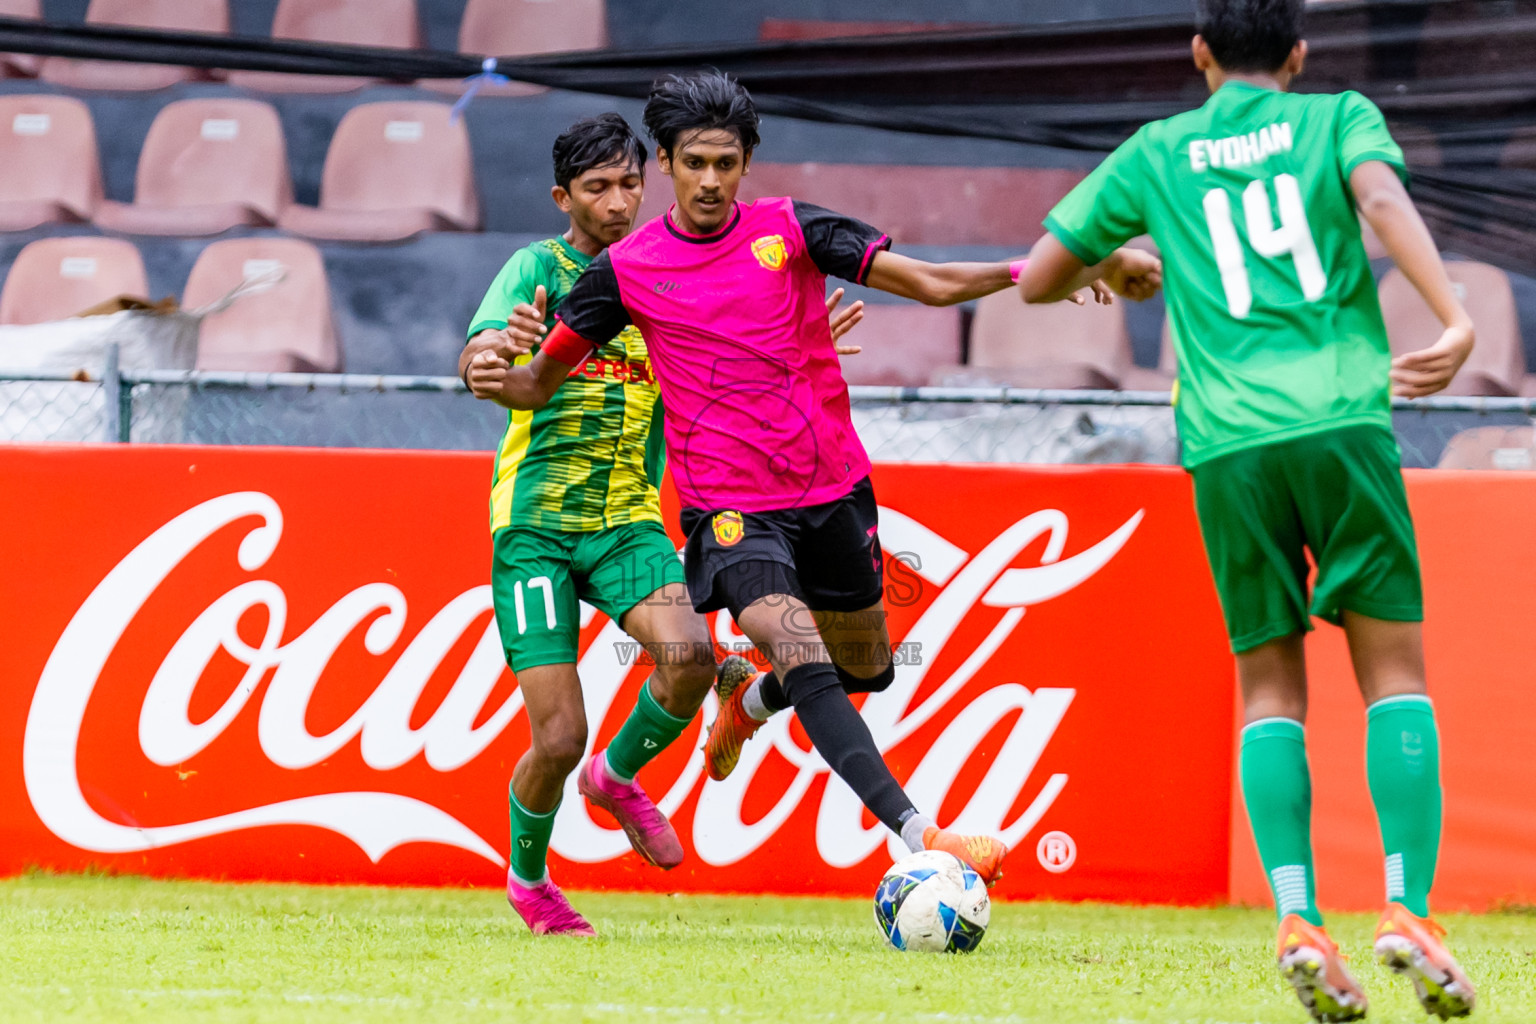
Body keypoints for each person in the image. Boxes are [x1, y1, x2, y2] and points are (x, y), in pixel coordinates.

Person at [467, 71, 1161, 886]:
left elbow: (932, 283)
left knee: (865, 665)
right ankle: (921, 836)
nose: (711, 181)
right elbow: (534, 384)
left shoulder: (792, 231)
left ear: (748, 162)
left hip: (830, 490)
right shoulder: (626, 272)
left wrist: (1054, 269)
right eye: (694, 163)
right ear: (669, 162)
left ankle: (748, 704)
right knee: (800, 652)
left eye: (726, 162)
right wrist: (489, 367)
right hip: (729, 511)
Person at [1020, 1, 1476, 1019]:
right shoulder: (1337, 117)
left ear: (1199, 53)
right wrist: (1452, 313)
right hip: (1344, 421)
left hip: (1225, 440)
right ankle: (1408, 910)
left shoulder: (1155, 151)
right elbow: (1385, 203)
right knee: (1394, 673)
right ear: (1301, 54)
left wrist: (1111, 262)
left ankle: (1298, 916)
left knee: (1269, 684)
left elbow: (1041, 275)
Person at [460, 113, 864, 937]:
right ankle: (530, 880)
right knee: (558, 733)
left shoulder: (660, 273)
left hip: (626, 524)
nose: (618, 201)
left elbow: (741, 343)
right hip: (534, 527)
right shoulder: (536, 268)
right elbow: (484, 354)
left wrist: (805, 342)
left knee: (689, 662)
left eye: (628, 183)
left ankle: (616, 779)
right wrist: (493, 357)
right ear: (562, 196)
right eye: (597, 187)